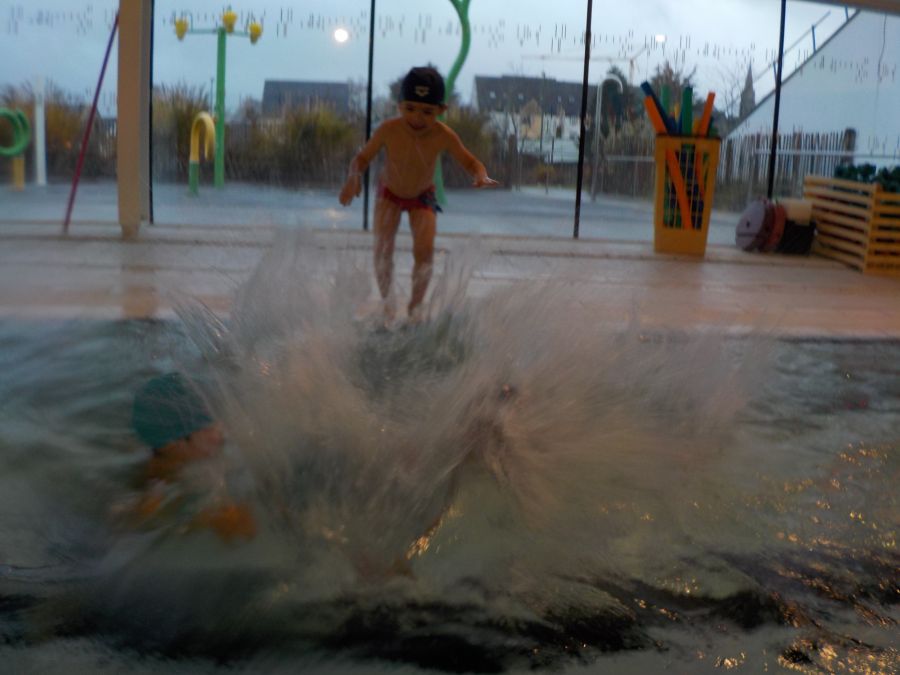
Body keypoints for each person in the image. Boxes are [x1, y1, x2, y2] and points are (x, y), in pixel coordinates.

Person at [339, 66, 498, 322]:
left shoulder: (443, 135)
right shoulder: (389, 129)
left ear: (441, 110)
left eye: (427, 112)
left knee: (425, 253)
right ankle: (388, 304)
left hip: (423, 197)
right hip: (389, 194)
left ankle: (415, 306)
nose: (417, 118)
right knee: (382, 251)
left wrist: (480, 174)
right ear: (399, 105)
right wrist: (353, 177)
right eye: (410, 108)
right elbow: (362, 158)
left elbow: (470, 161)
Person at [124, 372, 256, 542]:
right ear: (172, 444)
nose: (220, 434)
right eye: (210, 427)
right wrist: (209, 520)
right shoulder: (154, 495)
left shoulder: (188, 459)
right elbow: (149, 525)